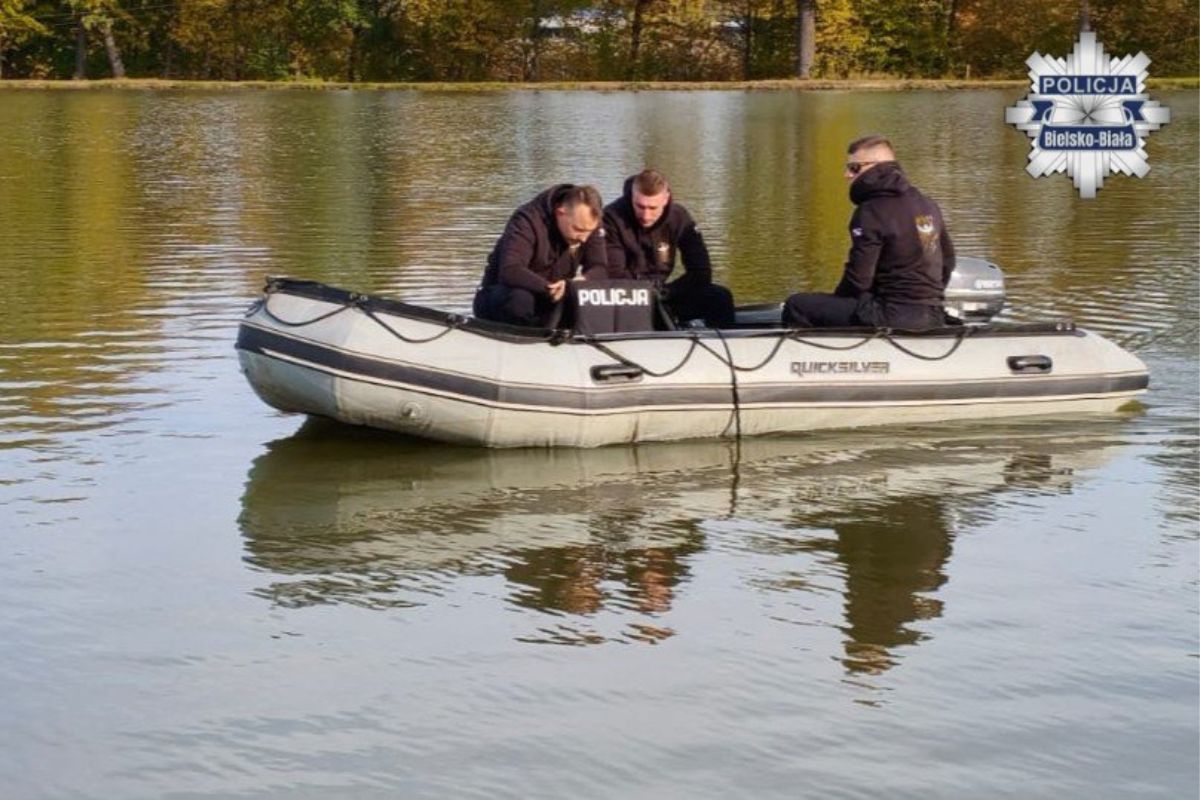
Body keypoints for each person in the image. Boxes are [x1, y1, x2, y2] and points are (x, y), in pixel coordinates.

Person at [782, 135, 955, 330]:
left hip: (892, 314)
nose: (847, 175)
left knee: (797, 305)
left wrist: (839, 302)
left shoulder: (871, 211)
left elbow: (859, 279)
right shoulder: (926, 204)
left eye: (854, 168)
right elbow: (947, 262)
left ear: (876, 167)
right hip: (933, 313)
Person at [603, 169, 735, 328]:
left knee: (720, 297)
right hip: (626, 298)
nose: (646, 215)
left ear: (665, 199)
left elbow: (701, 271)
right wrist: (649, 294)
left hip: (664, 295)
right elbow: (614, 275)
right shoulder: (611, 218)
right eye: (640, 206)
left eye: (653, 208)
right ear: (632, 195)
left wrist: (665, 293)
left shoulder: (679, 217)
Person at [474, 184, 608, 327]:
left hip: (553, 297)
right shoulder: (527, 220)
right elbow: (510, 270)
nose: (584, 239)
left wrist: (578, 283)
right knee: (521, 299)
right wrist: (551, 289)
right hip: (503, 295)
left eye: (589, 231)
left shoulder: (587, 224)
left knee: (591, 298)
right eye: (578, 230)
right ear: (560, 213)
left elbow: (600, 267)